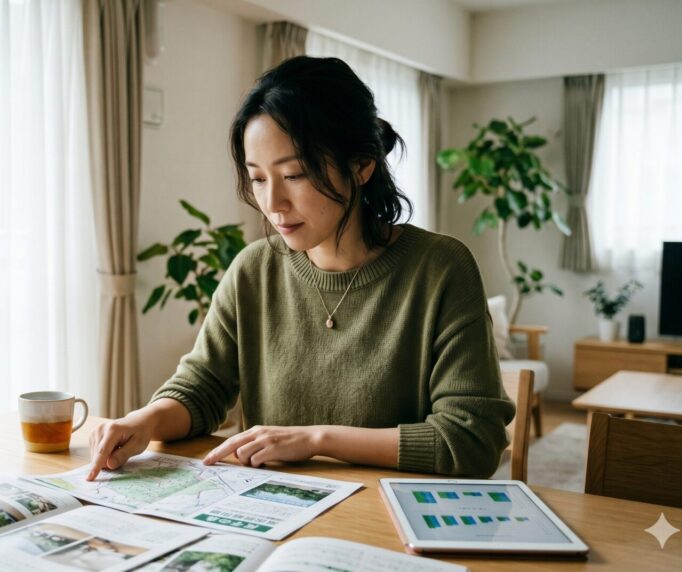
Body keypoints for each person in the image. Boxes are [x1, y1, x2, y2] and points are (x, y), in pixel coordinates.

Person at [87, 56, 514, 481]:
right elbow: (201, 389)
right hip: (277, 516)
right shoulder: (254, 270)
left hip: (391, 524)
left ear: (362, 165)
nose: (272, 203)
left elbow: (471, 441)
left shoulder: (440, 269)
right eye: (257, 178)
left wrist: (315, 441)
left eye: (294, 175)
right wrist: (141, 422)